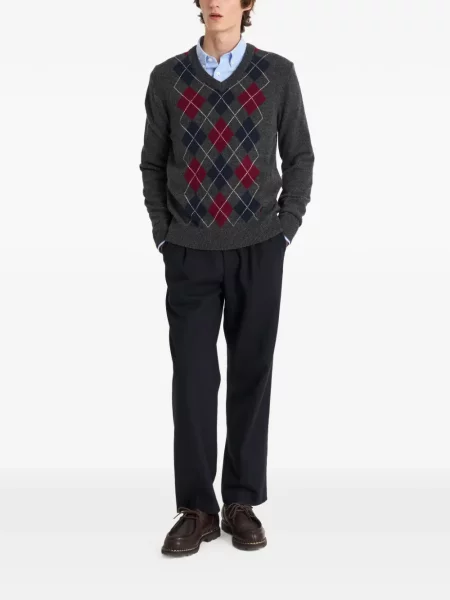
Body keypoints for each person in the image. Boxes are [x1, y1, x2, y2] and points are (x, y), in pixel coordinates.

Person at [139, 0, 314, 557]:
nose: (217, 2)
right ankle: (196, 508)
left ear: (247, 5)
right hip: (189, 252)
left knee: (251, 375)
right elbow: (152, 163)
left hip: (259, 248)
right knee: (192, 379)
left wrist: (285, 229)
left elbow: (300, 157)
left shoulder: (277, 74)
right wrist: (164, 234)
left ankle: (241, 502)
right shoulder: (167, 78)